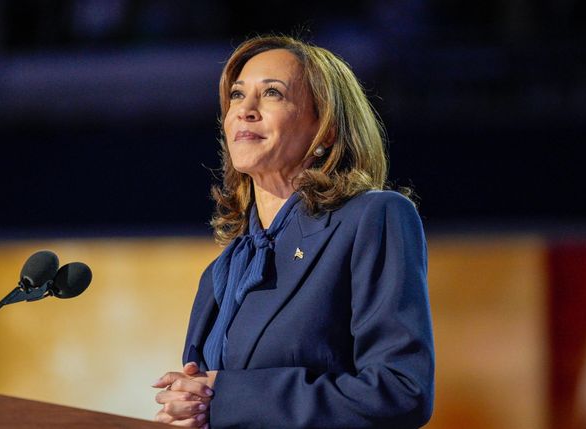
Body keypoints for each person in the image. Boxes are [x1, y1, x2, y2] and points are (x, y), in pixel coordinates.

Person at [152, 35, 434, 429]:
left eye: (272, 93)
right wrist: (188, 409)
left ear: (327, 130)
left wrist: (226, 397)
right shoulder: (220, 273)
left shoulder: (373, 218)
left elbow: (401, 390)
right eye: (236, 95)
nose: (244, 111)